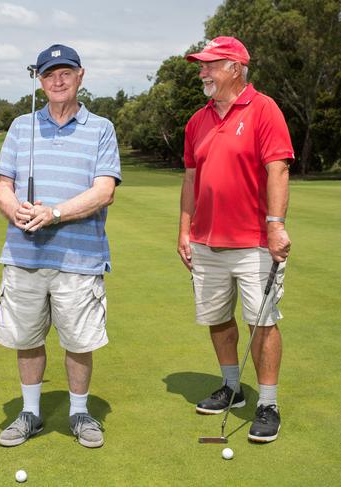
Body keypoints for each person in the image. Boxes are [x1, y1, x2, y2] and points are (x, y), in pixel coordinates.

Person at [0, 44, 121, 448]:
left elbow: (104, 191)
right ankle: (30, 412)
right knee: (27, 338)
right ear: (40, 81)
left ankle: (79, 413)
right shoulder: (20, 126)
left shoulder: (101, 128)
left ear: (80, 75)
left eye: (65, 72)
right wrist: (15, 210)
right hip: (24, 254)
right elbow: (3, 185)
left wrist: (55, 213)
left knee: (79, 341)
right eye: (49, 74)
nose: (58, 80)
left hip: (80, 258)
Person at [178, 36, 294, 442]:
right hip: (207, 243)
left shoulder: (264, 109)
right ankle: (232, 387)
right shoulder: (197, 120)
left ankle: (267, 402)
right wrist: (184, 230)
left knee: (261, 322)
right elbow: (191, 177)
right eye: (202, 65)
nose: (202, 72)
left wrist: (276, 224)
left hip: (254, 242)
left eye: (210, 65)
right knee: (217, 318)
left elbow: (277, 168)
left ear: (235, 68)